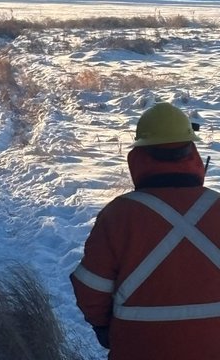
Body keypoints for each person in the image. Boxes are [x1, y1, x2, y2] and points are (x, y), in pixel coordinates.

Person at [70, 101, 220, 360]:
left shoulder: (118, 215)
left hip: (139, 348)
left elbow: (90, 289)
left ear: (138, 157)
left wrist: (105, 327)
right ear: (193, 154)